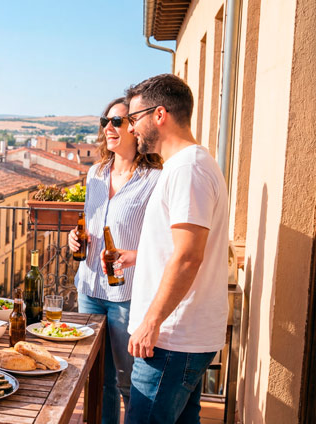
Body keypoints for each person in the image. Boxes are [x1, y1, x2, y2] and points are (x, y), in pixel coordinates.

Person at [123, 74, 229, 423]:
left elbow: (188, 257)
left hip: (170, 341)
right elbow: (179, 248)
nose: (131, 128)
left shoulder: (189, 169)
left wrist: (151, 322)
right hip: (177, 338)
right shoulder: (186, 165)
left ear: (160, 114)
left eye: (134, 118)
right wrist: (141, 258)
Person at [67, 97, 162, 424]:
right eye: (105, 121)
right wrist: (75, 237)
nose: (109, 127)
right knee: (97, 379)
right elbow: (88, 222)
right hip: (89, 289)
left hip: (126, 295)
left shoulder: (154, 179)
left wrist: (134, 256)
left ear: (135, 128)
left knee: (127, 380)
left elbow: (162, 240)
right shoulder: (95, 173)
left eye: (117, 121)